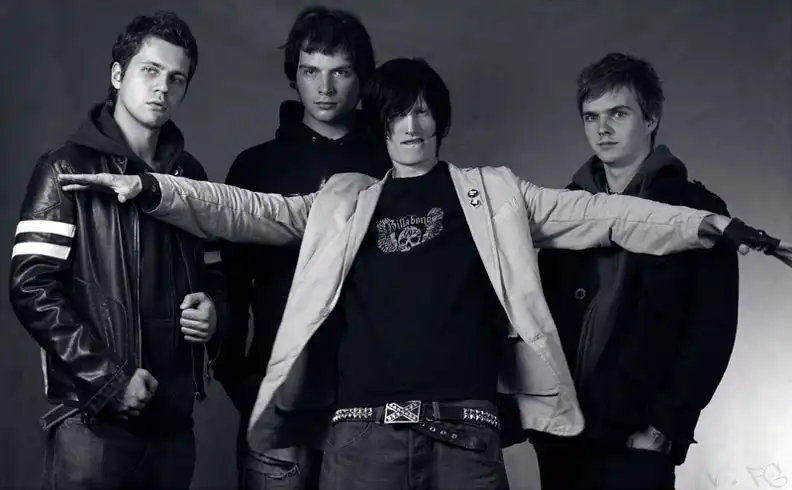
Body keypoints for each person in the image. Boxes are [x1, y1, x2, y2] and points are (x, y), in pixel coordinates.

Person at [57, 57, 786, 490]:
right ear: (382, 125)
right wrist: (151, 188)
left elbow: (606, 214)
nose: (411, 128)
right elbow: (244, 209)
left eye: (423, 114)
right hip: (362, 441)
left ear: (440, 120)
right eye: (398, 116)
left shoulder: (495, 193)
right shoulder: (344, 201)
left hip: (466, 437)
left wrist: (712, 226)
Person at [9, 11, 221, 489]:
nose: (162, 87)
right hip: (92, 425)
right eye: (150, 70)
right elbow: (31, 289)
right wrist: (109, 380)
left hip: (173, 428)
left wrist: (215, 311)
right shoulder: (63, 168)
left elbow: (215, 275)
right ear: (118, 74)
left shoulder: (190, 177)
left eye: (176, 78)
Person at [527, 52, 743, 489]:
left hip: (638, 440)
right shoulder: (563, 208)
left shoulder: (697, 209)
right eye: (591, 117)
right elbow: (538, 317)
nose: (602, 129)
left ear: (651, 118)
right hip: (563, 440)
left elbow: (712, 332)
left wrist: (665, 427)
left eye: (618, 114)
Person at [214, 7, 390, 489]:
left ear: (362, 78)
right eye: (311, 71)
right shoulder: (256, 167)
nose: (325, 87)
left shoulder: (391, 163)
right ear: (294, 76)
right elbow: (230, 285)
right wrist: (239, 379)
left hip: (370, 401)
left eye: (341, 72)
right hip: (278, 398)